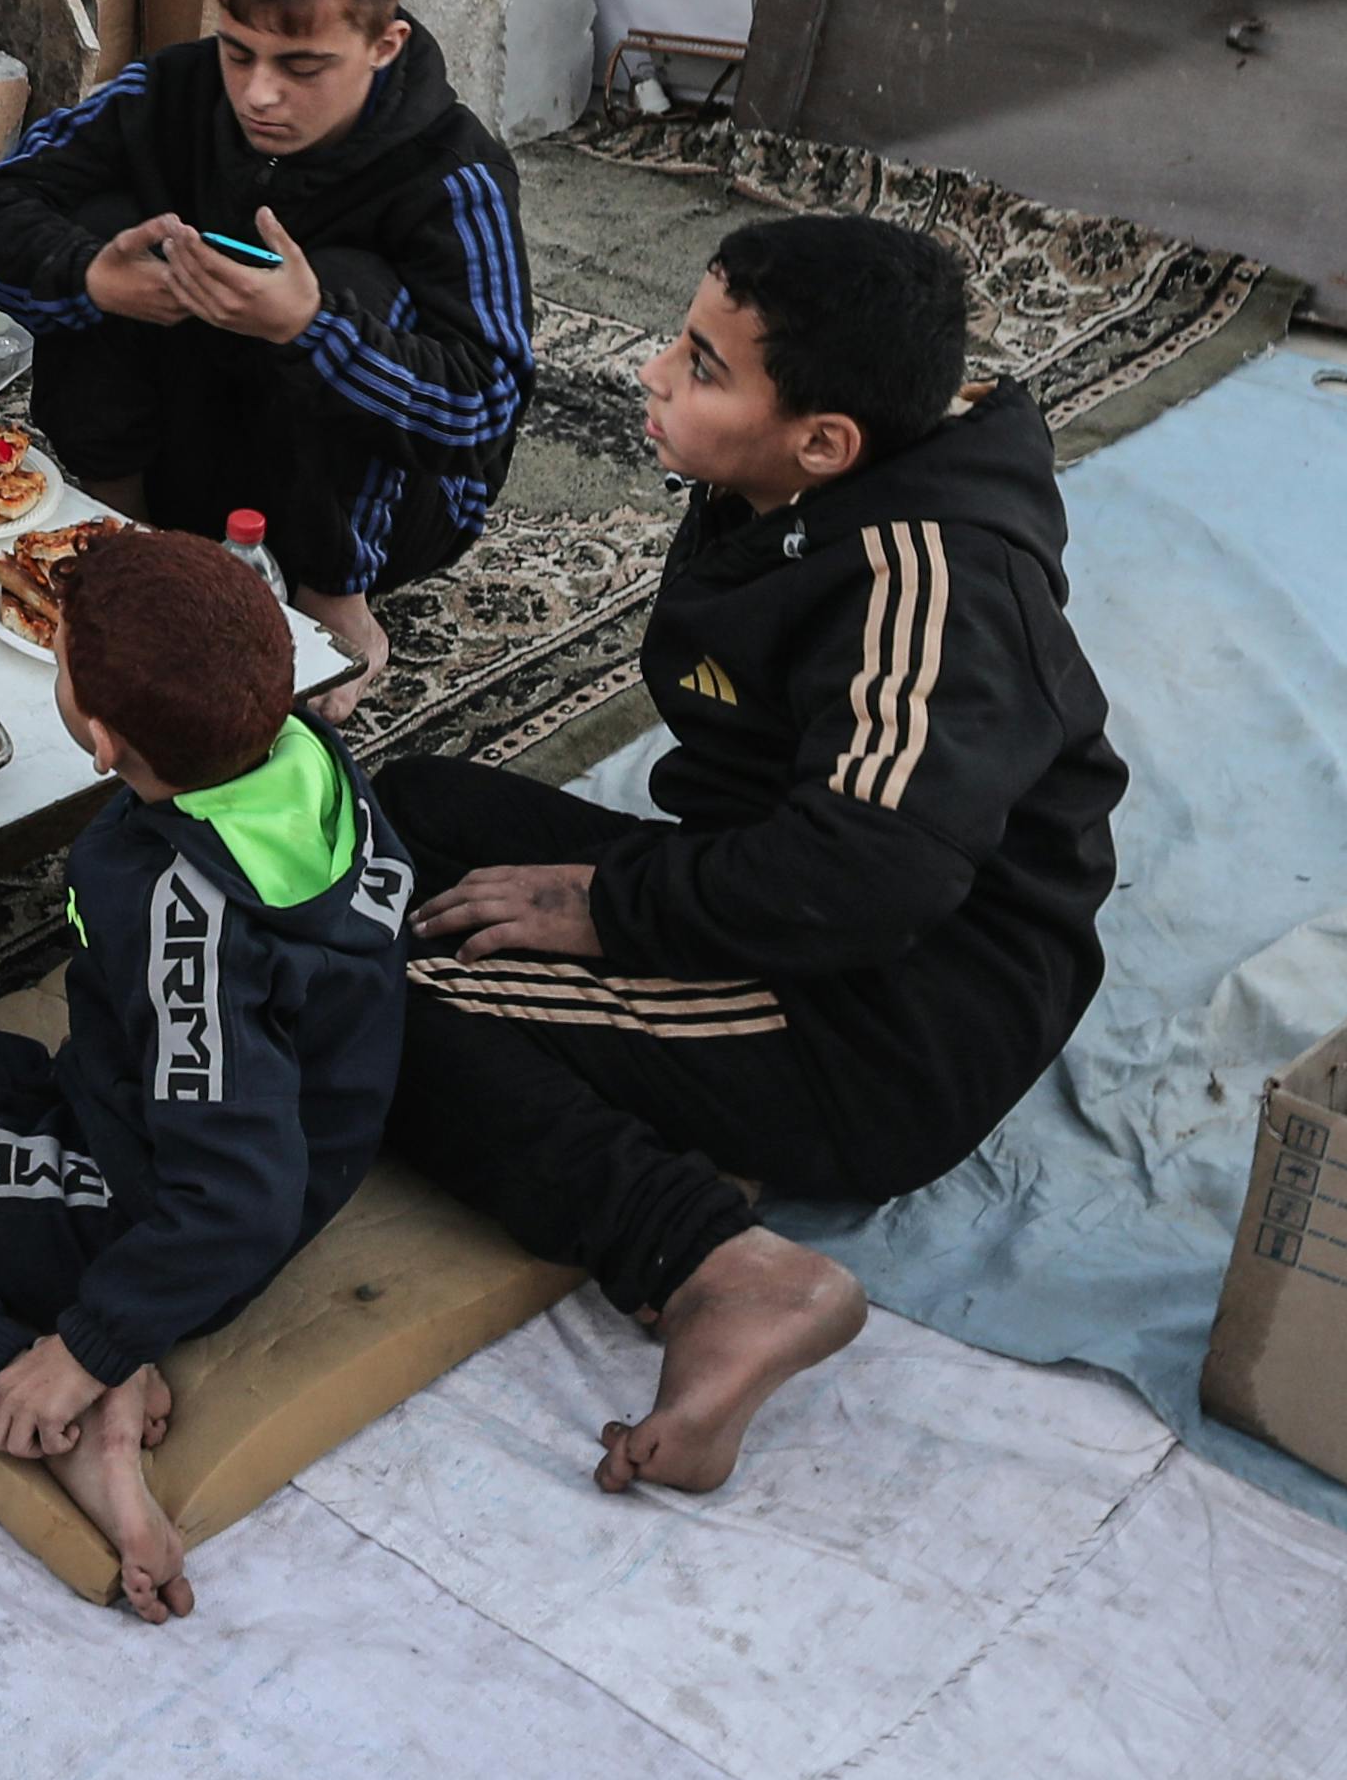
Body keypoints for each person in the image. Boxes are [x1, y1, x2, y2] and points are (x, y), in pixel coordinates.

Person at [377, 211, 1127, 1498]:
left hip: (892, 1017)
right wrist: (622, 898)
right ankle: (655, 1095)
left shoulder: (924, 572)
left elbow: (873, 871)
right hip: (795, 900)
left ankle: (715, 1264)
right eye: (682, 341)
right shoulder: (799, 486)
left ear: (825, 442)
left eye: (705, 366)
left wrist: (618, 909)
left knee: (372, 991)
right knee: (415, 805)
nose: (655, 375)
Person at [0, 530, 410, 1621]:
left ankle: (58, 1395)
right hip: (147, 1104)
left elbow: (241, 1196)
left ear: (100, 739)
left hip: (153, 1203)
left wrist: (91, 1344)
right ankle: (58, 1269)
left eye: (54, 661)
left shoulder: (180, 918)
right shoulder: (298, 756)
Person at [0, 0, 533, 713]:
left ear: (383, 45)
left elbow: (485, 406)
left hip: (387, 511)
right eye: (238, 53)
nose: (259, 94)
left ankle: (336, 605)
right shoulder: (172, 93)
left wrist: (312, 327)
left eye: (301, 67)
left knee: (353, 285)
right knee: (107, 229)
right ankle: (123, 532)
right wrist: (92, 278)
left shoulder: (451, 174)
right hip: (189, 452)